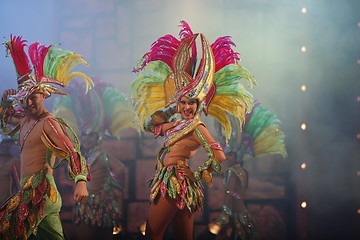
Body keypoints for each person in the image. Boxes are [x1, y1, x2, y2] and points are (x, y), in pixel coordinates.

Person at [131, 21, 256, 240]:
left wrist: (196, 174)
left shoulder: (197, 128)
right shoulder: (176, 124)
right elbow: (148, 125)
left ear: (199, 106)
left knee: (153, 232)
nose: (187, 107)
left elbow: (219, 155)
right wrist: (172, 108)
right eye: (183, 103)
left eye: (192, 103)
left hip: (175, 182)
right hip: (178, 183)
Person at [0, 35, 93, 240]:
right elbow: (4, 119)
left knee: (7, 231)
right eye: (24, 99)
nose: (29, 102)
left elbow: (71, 150)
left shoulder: (49, 123)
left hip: (40, 192)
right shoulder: (24, 119)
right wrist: (5, 102)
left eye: (33, 97)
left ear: (43, 95)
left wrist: (81, 181)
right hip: (30, 193)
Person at [52, 80, 136, 240]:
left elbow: (121, 170)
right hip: (84, 205)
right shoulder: (79, 156)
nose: (88, 138)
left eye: (91, 135)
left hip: (103, 205)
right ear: (81, 137)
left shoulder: (102, 155)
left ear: (97, 138)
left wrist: (110, 186)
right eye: (85, 135)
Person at [215, 102, 287, 240]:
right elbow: (239, 193)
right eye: (227, 155)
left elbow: (231, 193)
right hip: (244, 214)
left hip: (234, 216)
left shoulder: (232, 172)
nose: (227, 158)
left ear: (236, 155)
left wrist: (225, 213)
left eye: (230, 155)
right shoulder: (243, 171)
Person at [0, 134, 20, 204]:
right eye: (4, 143)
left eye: (8, 143)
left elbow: (20, 186)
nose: (5, 146)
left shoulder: (13, 162)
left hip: (5, 204)